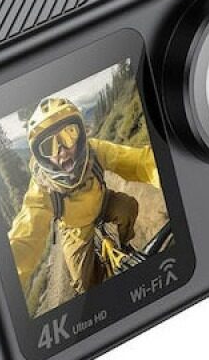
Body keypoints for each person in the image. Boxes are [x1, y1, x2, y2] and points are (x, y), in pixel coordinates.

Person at [9, 97, 160, 296]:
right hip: (76, 229)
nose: (62, 150)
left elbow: (140, 162)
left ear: (80, 135)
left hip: (104, 202)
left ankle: (125, 243)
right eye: (48, 146)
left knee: (128, 207)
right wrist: (5, 281)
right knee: (84, 283)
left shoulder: (95, 150)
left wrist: (169, 171)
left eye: (68, 134)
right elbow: (24, 238)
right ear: (40, 157)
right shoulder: (41, 189)